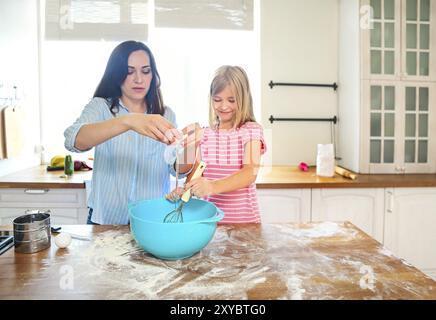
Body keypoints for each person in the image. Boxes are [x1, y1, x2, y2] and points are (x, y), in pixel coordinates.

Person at [64, 40, 193, 224]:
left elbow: (176, 169)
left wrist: (190, 147)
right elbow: (72, 139)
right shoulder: (101, 107)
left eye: (145, 71)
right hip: (106, 220)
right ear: (116, 75)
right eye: (129, 71)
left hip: (152, 220)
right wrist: (129, 121)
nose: (138, 79)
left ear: (153, 76)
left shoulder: (166, 114)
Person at [167, 65, 266, 223]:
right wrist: (182, 192)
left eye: (231, 100)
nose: (223, 106)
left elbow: (250, 173)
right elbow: (195, 176)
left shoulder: (251, 130)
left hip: (244, 224)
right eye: (217, 100)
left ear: (243, 99)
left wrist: (212, 187)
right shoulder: (205, 134)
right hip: (210, 223)